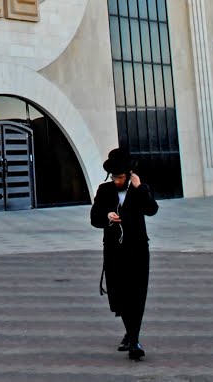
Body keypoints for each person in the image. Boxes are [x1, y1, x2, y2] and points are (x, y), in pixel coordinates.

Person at [90, 146, 158, 361]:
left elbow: (151, 210)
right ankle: (130, 333)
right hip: (114, 251)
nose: (116, 180)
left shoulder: (140, 188)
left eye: (120, 176)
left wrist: (140, 189)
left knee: (136, 294)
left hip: (137, 250)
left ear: (129, 174)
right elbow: (94, 219)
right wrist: (108, 215)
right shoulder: (104, 190)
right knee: (120, 294)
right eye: (114, 176)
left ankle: (134, 341)